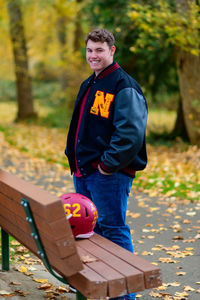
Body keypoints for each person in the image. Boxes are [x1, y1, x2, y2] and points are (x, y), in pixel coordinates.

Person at [65, 28, 148, 300]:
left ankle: (125, 296)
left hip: (108, 174)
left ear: (112, 51)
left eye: (99, 50)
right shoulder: (90, 82)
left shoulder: (124, 86)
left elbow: (130, 133)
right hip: (84, 171)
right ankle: (101, 290)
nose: (93, 55)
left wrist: (107, 166)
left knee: (113, 230)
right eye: (89, 50)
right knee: (92, 235)